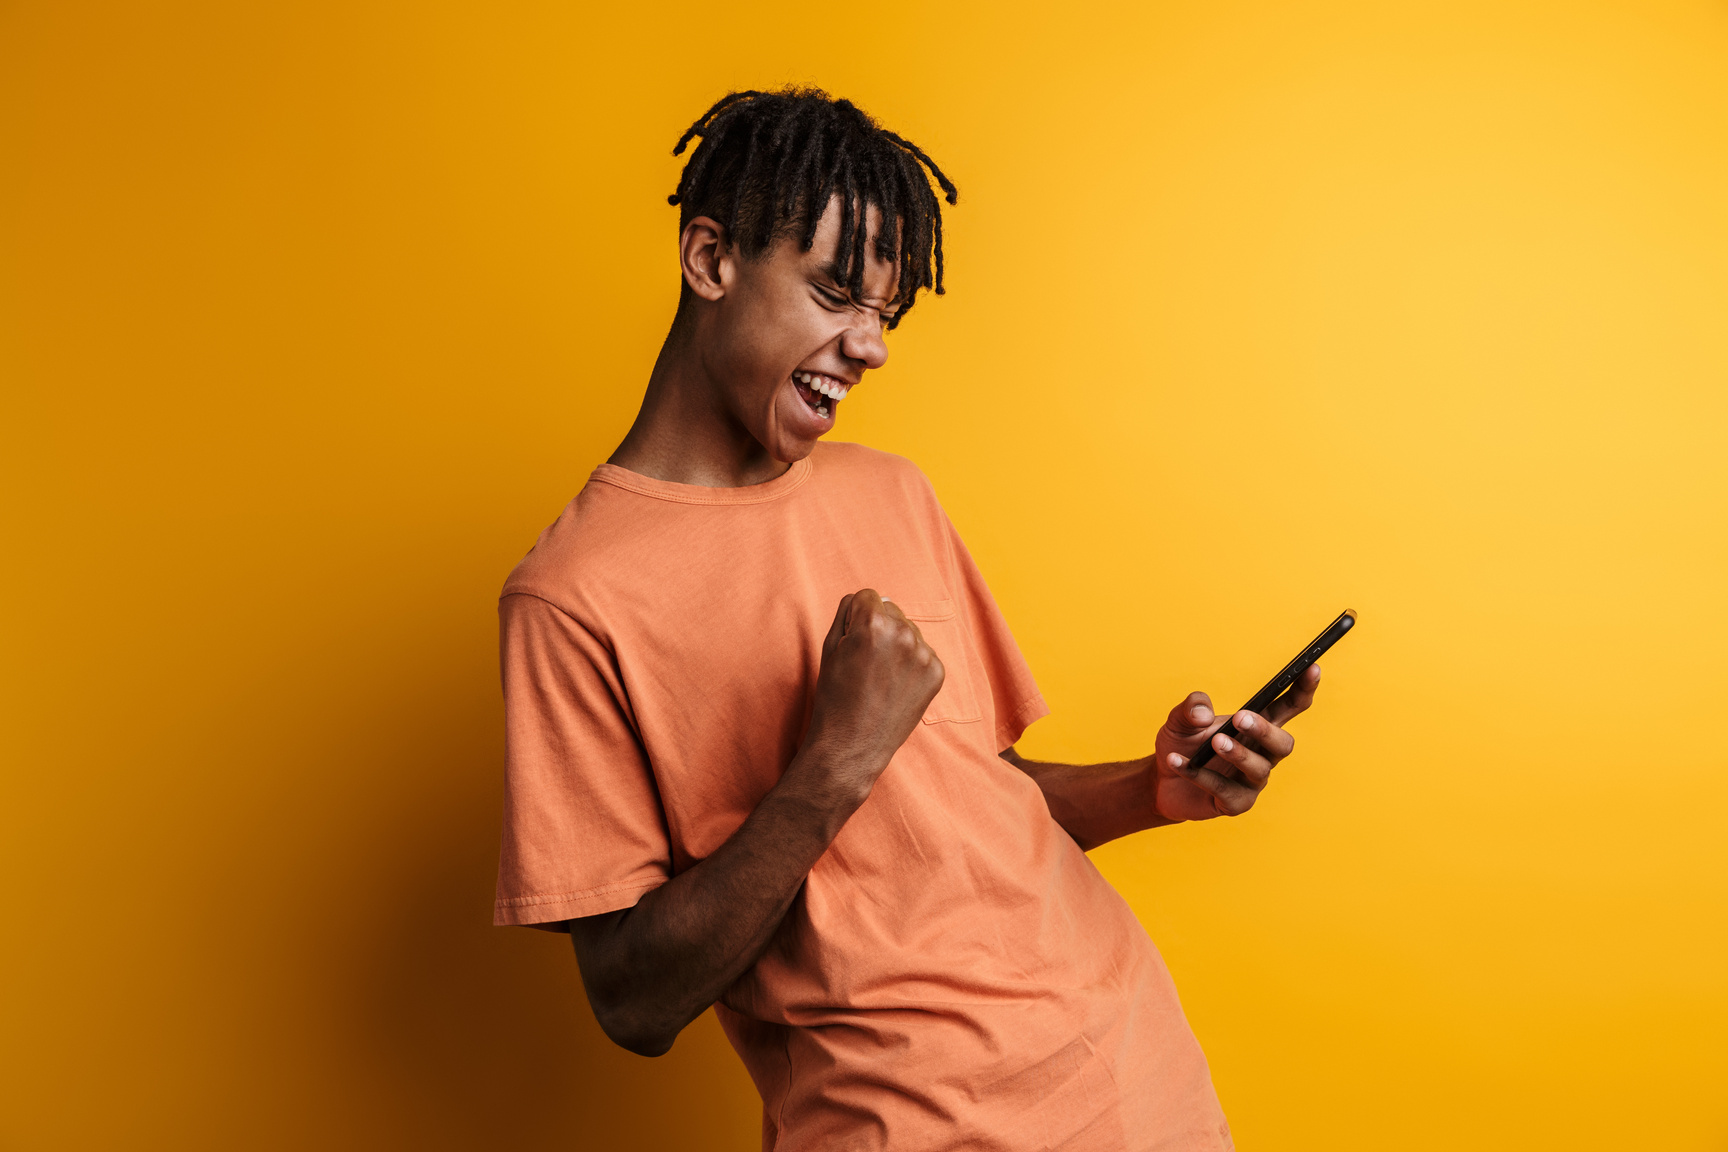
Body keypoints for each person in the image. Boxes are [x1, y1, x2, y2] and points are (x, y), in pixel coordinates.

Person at [493, 87, 1324, 1152]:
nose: (870, 346)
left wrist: (1154, 791)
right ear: (710, 261)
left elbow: (973, 798)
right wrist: (836, 758)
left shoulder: (891, 492)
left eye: (885, 313)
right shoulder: (572, 598)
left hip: (1136, 1075)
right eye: (836, 294)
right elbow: (633, 1002)